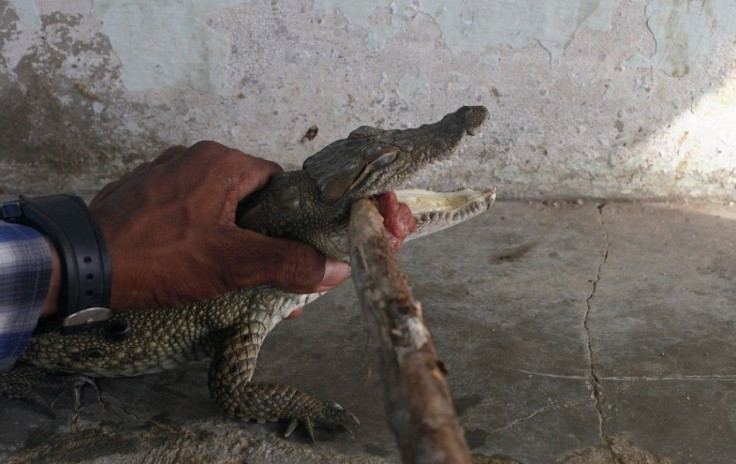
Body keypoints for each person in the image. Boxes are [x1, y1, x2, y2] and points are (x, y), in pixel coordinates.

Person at [0, 141, 351, 371]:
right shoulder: (253, 296)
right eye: (380, 161)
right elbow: (233, 393)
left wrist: (78, 248)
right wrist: (80, 262)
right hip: (35, 345)